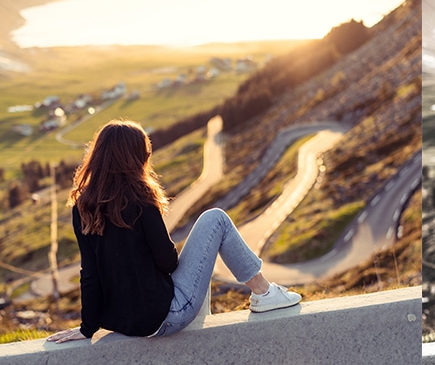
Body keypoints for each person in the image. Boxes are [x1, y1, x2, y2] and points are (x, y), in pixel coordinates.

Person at [47, 120, 301, 344]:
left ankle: (257, 296)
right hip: (165, 317)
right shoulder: (141, 198)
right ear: (136, 158)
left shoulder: (83, 206)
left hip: (123, 322)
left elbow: (89, 273)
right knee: (216, 219)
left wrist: (87, 328)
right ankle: (264, 293)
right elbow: (168, 262)